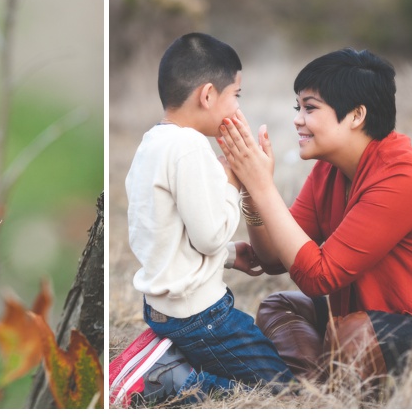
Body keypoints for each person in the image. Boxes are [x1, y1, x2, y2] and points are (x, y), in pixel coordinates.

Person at [217, 48, 412, 383]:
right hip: (356, 320)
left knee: (353, 336)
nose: (298, 119)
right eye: (297, 107)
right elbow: (272, 260)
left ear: (356, 115)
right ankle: (311, 391)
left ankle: (326, 383)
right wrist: (252, 195)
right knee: (279, 306)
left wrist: (262, 184)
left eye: (310, 108)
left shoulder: (405, 177)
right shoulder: (329, 170)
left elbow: (318, 277)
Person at [110, 33, 295, 407]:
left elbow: (169, 232)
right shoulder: (190, 148)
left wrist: (229, 256)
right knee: (284, 387)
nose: (238, 107)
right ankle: (170, 379)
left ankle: (171, 357)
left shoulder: (153, 143)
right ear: (208, 95)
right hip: (199, 315)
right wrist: (232, 181)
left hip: (162, 308)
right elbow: (209, 237)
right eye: (236, 96)